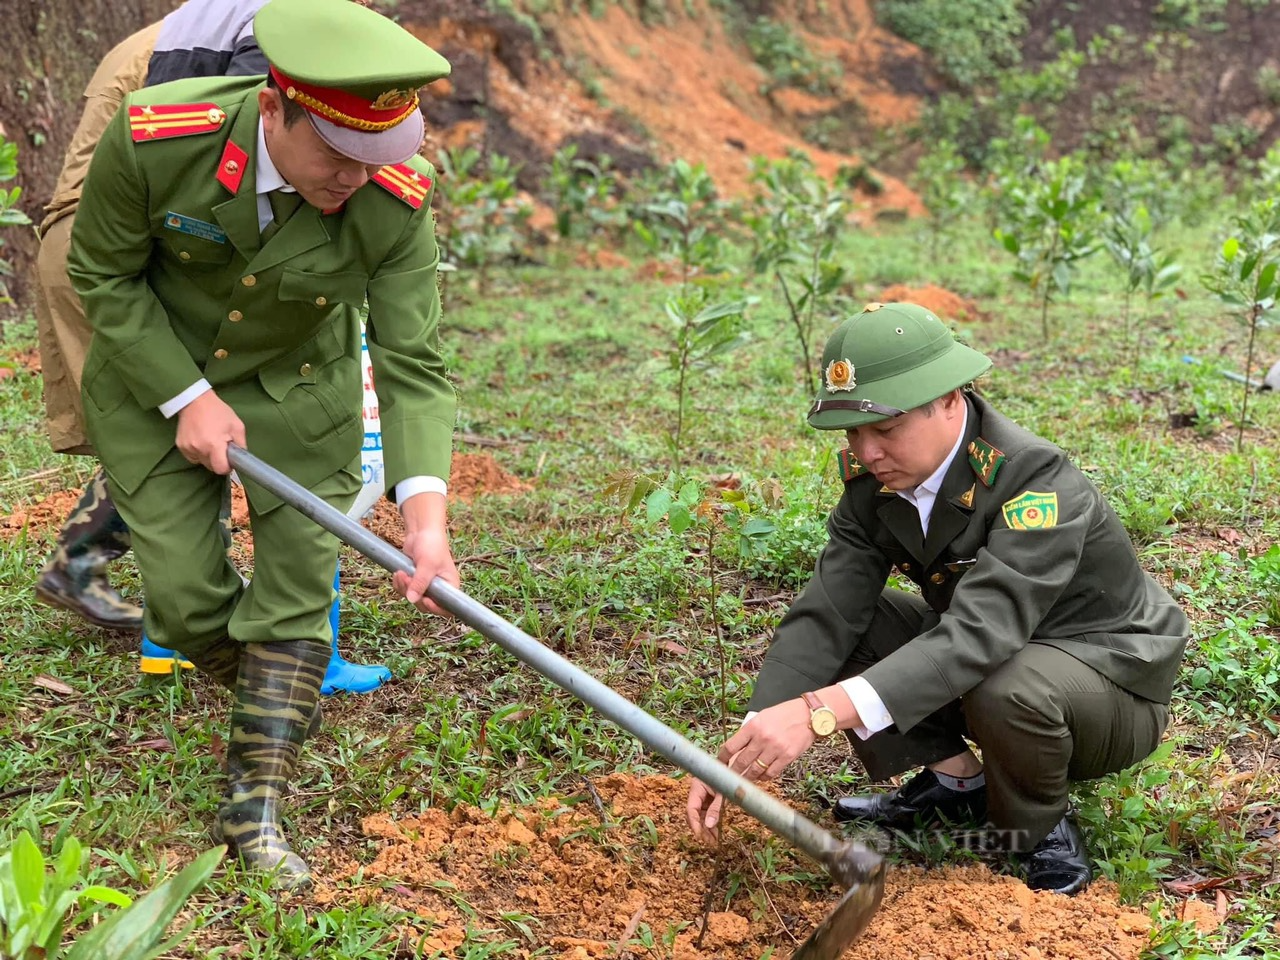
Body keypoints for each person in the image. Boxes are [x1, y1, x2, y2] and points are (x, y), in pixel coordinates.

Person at [67, 0, 457, 888]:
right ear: (275, 108)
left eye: (378, 156)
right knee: (187, 601)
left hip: (298, 392)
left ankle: (256, 806)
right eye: (338, 155)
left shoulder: (395, 200)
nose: (358, 177)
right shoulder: (163, 137)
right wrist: (187, 394)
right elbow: (101, 272)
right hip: (153, 376)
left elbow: (412, 364)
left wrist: (425, 518)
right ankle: (275, 686)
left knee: (292, 597)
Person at [686, 301, 1189, 896]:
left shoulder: (1034, 478)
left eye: (886, 428)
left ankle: (1036, 831)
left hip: (1107, 686)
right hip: (997, 659)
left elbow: (982, 634)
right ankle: (960, 787)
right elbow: (828, 614)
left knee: (1010, 684)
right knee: (859, 627)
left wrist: (816, 713)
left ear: (950, 399)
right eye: (853, 431)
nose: (867, 451)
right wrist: (751, 735)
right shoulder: (872, 487)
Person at [32, 0, 393, 696]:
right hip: (118, 234)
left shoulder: (309, 38)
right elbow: (273, 163)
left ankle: (154, 606)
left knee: (204, 411)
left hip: (155, 220)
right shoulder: (285, 47)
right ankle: (183, 619)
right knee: (178, 416)